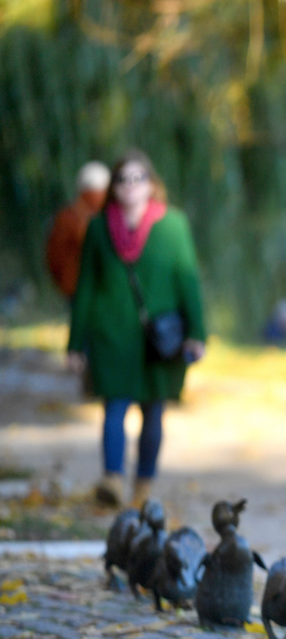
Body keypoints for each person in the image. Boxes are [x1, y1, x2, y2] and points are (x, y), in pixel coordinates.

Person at [67, 150, 207, 507]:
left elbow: (188, 280)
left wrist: (198, 333)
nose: (130, 186)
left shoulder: (172, 225)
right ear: (113, 187)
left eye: (137, 178)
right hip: (111, 334)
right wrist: (74, 343)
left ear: (151, 184)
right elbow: (84, 286)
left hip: (159, 338)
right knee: (114, 407)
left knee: (153, 411)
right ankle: (112, 478)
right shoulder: (99, 227)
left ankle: (144, 484)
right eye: (122, 179)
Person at [46, 161, 111, 299]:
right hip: (104, 288)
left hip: (75, 288)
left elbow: (53, 258)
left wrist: (64, 283)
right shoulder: (112, 214)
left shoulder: (65, 217)